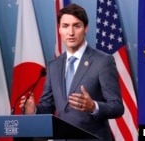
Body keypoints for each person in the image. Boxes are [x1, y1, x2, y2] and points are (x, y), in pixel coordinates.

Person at [19, 3, 124, 141]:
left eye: (76, 26)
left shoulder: (103, 61)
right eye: (65, 26)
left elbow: (117, 107)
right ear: (60, 30)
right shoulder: (54, 65)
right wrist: (34, 110)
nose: (71, 32)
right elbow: (48, 106)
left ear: (86, 28)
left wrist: (94, 106)